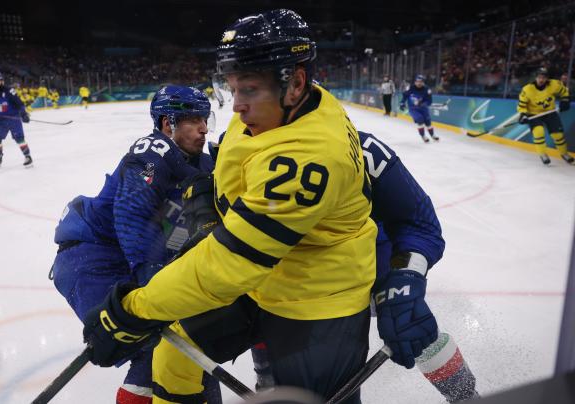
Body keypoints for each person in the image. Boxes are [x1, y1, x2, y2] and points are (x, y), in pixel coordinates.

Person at [80, 9, 436, 403]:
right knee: (175, 354)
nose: (236, 106)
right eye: (233, 89)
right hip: (262, 282)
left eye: (248, 90)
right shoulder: (272, 114)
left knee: (305, 397)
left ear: (296, 84)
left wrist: (134, 309)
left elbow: (230, 263)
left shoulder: (307, 158)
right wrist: (213, 191)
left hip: (314, 302)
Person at [251, 129, 478, 402]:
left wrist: (406, 275)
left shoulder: (361, 147)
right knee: (258, 310)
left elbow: (420, 221)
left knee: (412, 324)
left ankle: (466, 395)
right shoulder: (243, 152)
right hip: (301, 286)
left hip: (371, 264)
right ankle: (268, 378)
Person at [51, 85, 218, 404]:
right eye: (193, 119)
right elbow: (133, 217)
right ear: (168, 123)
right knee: (151, 350)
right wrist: (153, 289)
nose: (203, 127)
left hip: (129, 259)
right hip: (92, 260)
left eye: (205, 118)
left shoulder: (202, 165)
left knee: (189, 344)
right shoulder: (152, 150)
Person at [518, 67, 573, 165]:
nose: (541, 80)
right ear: (535, 78)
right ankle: (543, 154)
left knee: (558, 135)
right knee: (538, 132)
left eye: (544, 77)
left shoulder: (554, 84)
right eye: (539, 77)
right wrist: (523, 114)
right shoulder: (527, 89)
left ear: (547, 78)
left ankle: (564, 154)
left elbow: (564, 91)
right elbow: (522, 105)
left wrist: (565, 100)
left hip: (550, 112)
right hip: (533, 114)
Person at [0, 72, 32, 168]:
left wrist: (23, 114)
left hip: (14, 118)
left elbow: (19, 103)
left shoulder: (10, 91)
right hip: (1, 120)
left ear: (2, 81)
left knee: (19, 138)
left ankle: (28, 156)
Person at [400, 74, 439, 142]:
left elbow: (429, 101)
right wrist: (402, 103)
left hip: (424, 109)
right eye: (417, 81)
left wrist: (424, 103)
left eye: (420, 81)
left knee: (428, 122)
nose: (419, 83)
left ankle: (432, 135)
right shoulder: (410, 88)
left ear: (423, 82)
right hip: (413, 109)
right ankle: (423, 136)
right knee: (419, 119)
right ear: (415, 82)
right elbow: (405, 96)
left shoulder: (427, 89)